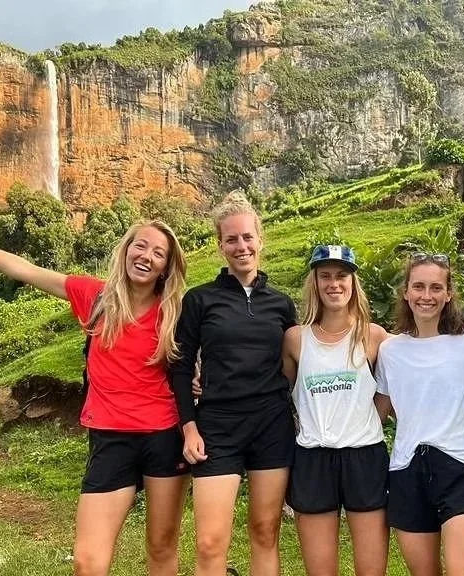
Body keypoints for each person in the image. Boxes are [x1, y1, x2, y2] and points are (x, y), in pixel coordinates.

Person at [0, 220, 189, 576]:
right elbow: (26, 269)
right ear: (126, 249)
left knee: (162, 550)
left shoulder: (175, 313)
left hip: (164, 436)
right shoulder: (95, 296)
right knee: (87, 562)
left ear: (166, 266)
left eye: (158, 252)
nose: (146, 256)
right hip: (110, 438)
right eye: (140, 246)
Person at [171, 192, 297, 576]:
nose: (241, 247)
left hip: (271, 426)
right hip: (217, 427)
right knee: (210, 541)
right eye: (231, 239)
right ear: (220, 245)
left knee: (265, 531)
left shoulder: (281, 303)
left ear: (260, 239)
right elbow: (178, 367)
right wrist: (188, 426)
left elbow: (292, 362)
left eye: (247, 237)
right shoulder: (199, 301)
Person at [375, 252, 464, 576]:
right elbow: (379, 412)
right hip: (406, 471)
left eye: (436, 287)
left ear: (449, 293)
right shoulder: (390, 350)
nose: (427, 296)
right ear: (406, 292)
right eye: (419, 287)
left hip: (461, 469)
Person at [281, 245, 389, 576]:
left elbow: (387, 393)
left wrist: (366, 422)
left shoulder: (374, 337)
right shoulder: (295, 339)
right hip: (314, 459)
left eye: (342, 276)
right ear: (314, 283)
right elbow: (281, 392)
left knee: (371, 569)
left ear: (353, 283)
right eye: (325, 276)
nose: (334, 284)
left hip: (365, 457)